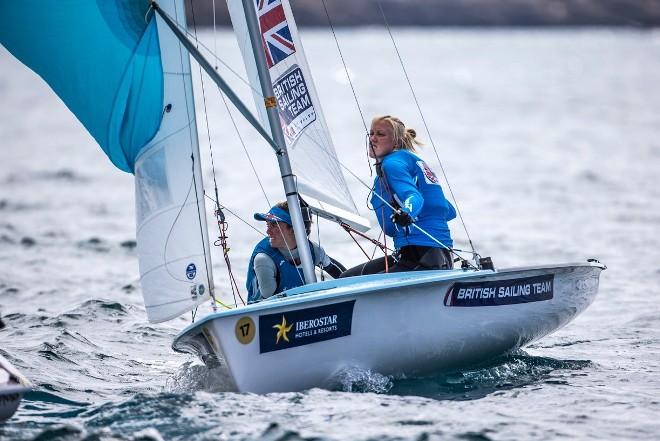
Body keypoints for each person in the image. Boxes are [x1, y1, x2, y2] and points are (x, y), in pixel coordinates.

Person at [341, 115, 456, 277]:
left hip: (421, 258)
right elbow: (449, 211)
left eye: (380, 134)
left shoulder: (392, 164)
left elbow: (414, 196)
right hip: (440, 256)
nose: (373, 138)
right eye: (371, 133)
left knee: (346, 281)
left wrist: (406, 212)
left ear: (396, 142)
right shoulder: (412, 162)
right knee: (347, 278)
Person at [246, 200, 346, 303]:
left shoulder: (314, 251)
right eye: (268, 225)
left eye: (274, 226)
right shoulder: (263, 259)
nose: (268, 231)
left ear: (294, 230)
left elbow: (344, 276)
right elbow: (268, 298)